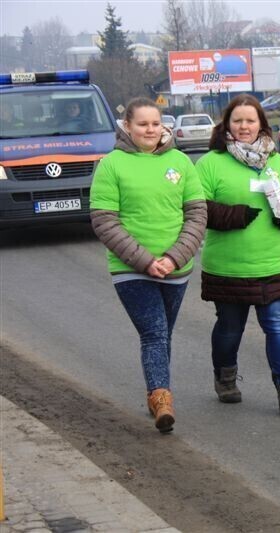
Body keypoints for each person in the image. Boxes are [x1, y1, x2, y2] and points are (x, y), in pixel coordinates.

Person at [89, 97, 207, 433]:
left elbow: (197, 214)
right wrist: (145, 261)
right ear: (127, 126)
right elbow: (104, 220)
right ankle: (162, 400)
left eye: (155, 124)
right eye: (142, 124)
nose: (150, 130)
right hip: (131, 271)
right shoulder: (111, 165)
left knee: (162, 335)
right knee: (154, 333)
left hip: (176, 269)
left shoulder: (181, 162)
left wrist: (173, 258)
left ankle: (155, 391)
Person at [195, 94, 280, 416]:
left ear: (261, 124)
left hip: (275, 261)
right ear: (227, 125)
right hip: (229, 266)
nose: (244, 126)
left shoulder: (277, 161)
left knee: (279, 326)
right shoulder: (210, 163)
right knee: (230, 328)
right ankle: (225, 377)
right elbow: (196, 208)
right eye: (237, 120)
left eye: (250, 120)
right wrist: (233, 216)